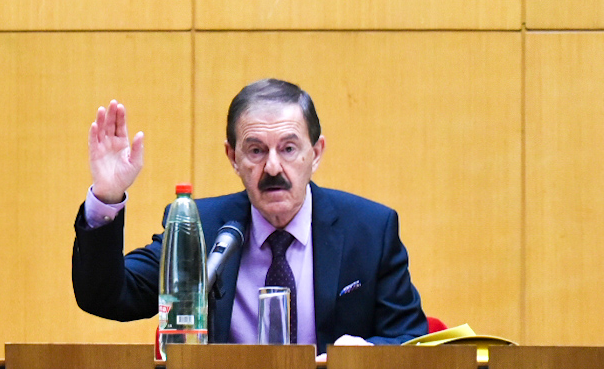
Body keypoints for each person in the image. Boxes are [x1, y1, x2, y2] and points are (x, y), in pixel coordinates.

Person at [72, 78, 428, 353]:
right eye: (256, 150)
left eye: (289, 149)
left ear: (316, 153)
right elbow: (107, 296)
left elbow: (411, 338)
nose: (273, 167)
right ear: (233, 158)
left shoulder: (369, 229)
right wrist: (107, 196)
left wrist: (364, 353)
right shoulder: (203, 227)